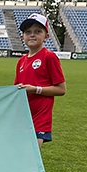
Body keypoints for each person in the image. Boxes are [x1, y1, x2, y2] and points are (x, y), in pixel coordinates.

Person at [15, 13, 66, 147]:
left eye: (38, 31)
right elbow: (16, 90)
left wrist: (35, 89)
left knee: (30, 158)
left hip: (39, 119)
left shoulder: (49, 57)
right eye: (28, 32)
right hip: (23, 118)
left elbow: (61, 89)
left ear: (46, 37)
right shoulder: (21, 61)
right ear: (22, 37)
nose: (32, 35)